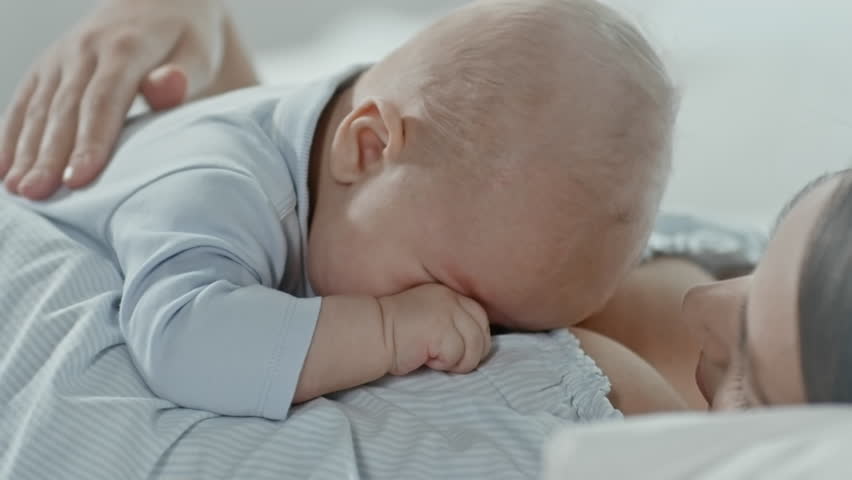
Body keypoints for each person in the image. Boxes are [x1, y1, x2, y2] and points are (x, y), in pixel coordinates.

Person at [0, 0, 678, 419]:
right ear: (369, 143)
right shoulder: (219, 187)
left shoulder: (358, 154)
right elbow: (182, 339)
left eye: (507, 325)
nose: (470, 330)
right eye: (441, 285)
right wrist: (388, 326)